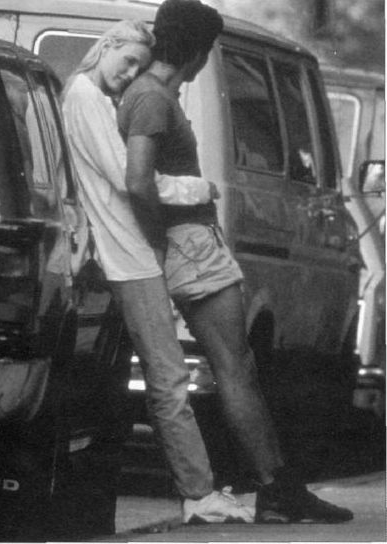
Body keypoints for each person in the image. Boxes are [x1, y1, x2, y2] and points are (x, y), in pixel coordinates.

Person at [117, 0, 354, 524]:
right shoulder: (153, 99)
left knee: (229, 367)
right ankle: (277, 489)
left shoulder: (147, 93)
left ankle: (275, 484)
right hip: (189, 244)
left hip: (184, 241)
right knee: (235, 367)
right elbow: (138, 179)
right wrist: (161, 240)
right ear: (198, 51)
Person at [62, 19, 254, 524]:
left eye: (138, 67)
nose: (130, 74)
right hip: (131, 258)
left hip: (128, 256)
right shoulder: (84, 96)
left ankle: (190, 491)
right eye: (127, 61)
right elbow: (132, 178)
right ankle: (198, 493)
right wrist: (198, 189)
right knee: (169, 379)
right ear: (106, 44)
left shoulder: (91, 97)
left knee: (153, 379)